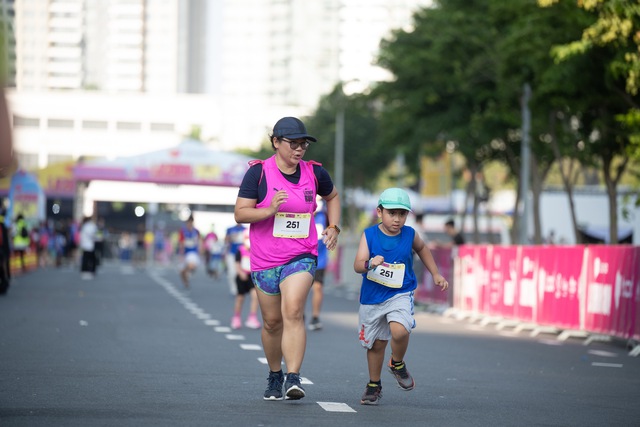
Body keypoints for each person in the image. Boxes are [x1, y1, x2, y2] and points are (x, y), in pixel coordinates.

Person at [234, 116, 341, 401]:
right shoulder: (258, 174)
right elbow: (241, 213)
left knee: (293, 311)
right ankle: (274, 374)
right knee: (271, 323)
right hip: (265, 259)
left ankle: (294, 377)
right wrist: (268, 210)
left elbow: (333, 197)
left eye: (303, 144)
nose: (299, 149)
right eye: (293, 143)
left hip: (301, 255)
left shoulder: (315, 173)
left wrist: (333, 226)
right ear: (276, 142)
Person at [353, 188, 448, 406]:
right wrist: (369, 264)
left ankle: (397, 363)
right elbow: (358, 265)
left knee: (400, 329)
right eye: (392, 213)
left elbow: (423, 249)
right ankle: (373, 385)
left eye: (402, 214)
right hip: (373, 297)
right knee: (376, 344)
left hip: (400, 293)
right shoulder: (369, 235)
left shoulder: (410, 234)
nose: (397, 219)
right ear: (380, 212)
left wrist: (435, 273)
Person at [231, 229, 261, 330]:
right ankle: (236, 317)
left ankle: (252, 317)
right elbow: (237, 264)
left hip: (252, 276)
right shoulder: (240, 250)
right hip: (242, 276)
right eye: (246, 239)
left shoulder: (256, 250)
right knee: (240, 298)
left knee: (255, 296)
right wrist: (240, 273)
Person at [308, 196, 328, 331]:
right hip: (301, 257)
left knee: (318, 287)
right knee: (300, 290)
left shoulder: (324, 215)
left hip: (320, 258)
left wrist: (334, 232)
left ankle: (315, 317)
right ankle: (298, 315)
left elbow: (336, 226)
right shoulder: (300, 213)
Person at [178, 215, 201, 290]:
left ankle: (190, 272)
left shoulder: (196, 231)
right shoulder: (183, 231)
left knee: (191, 265)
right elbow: (181, 242)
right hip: (185, 252)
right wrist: (181, 253)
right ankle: (186, 281)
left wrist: (201, 250)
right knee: (182, 271)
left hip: (193, 252)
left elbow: (199, 241)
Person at [224, 222, 246, 295]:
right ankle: (234, 288)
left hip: (242, 255)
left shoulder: (245, 229)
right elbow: (226, 240)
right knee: (232, 272)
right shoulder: (230, 229)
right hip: (232, 253)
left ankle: (241, 288)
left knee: (241, 272)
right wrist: (231, 238)